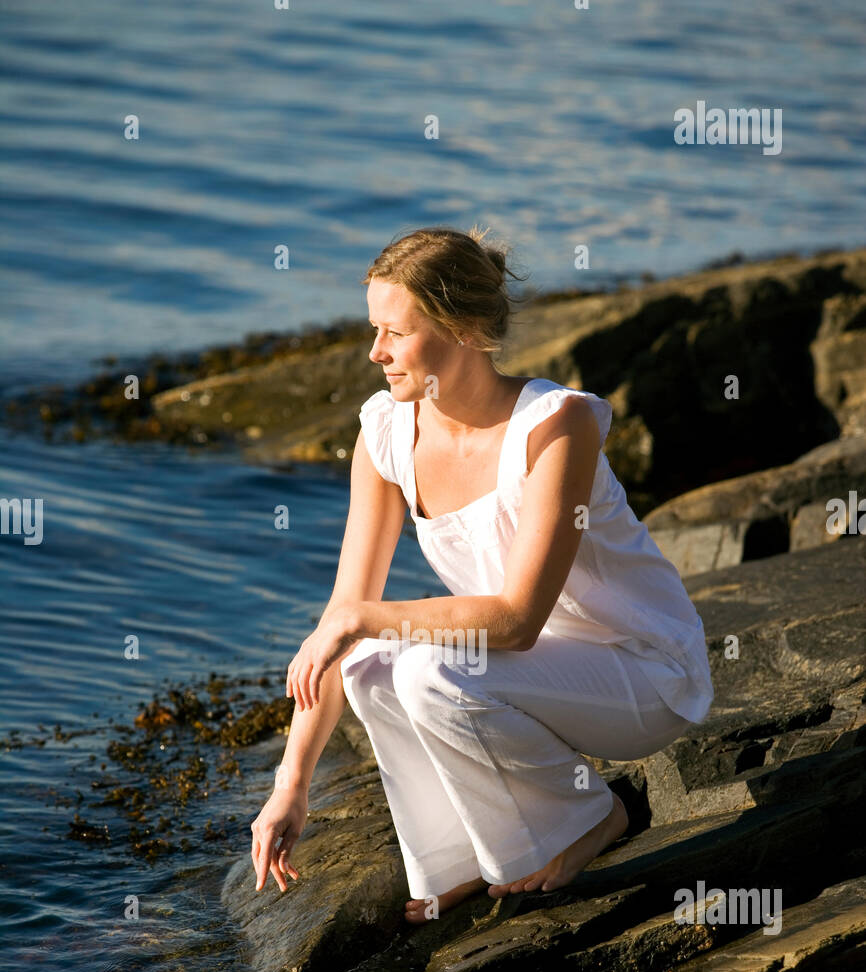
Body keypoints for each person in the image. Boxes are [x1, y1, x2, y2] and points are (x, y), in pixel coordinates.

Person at [250, 225, 714, 924]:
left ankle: (591, 816)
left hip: (642, 674)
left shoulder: (555, 427)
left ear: (463, 330)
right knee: (373, 664)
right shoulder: (385, 434)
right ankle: (452, 860)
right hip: (529, 677)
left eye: (395, 333)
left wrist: (362, 620)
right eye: (373, 330)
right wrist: (292, 785)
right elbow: (345, 622)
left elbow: (516, 621)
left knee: (427, 673)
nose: (376, 353)